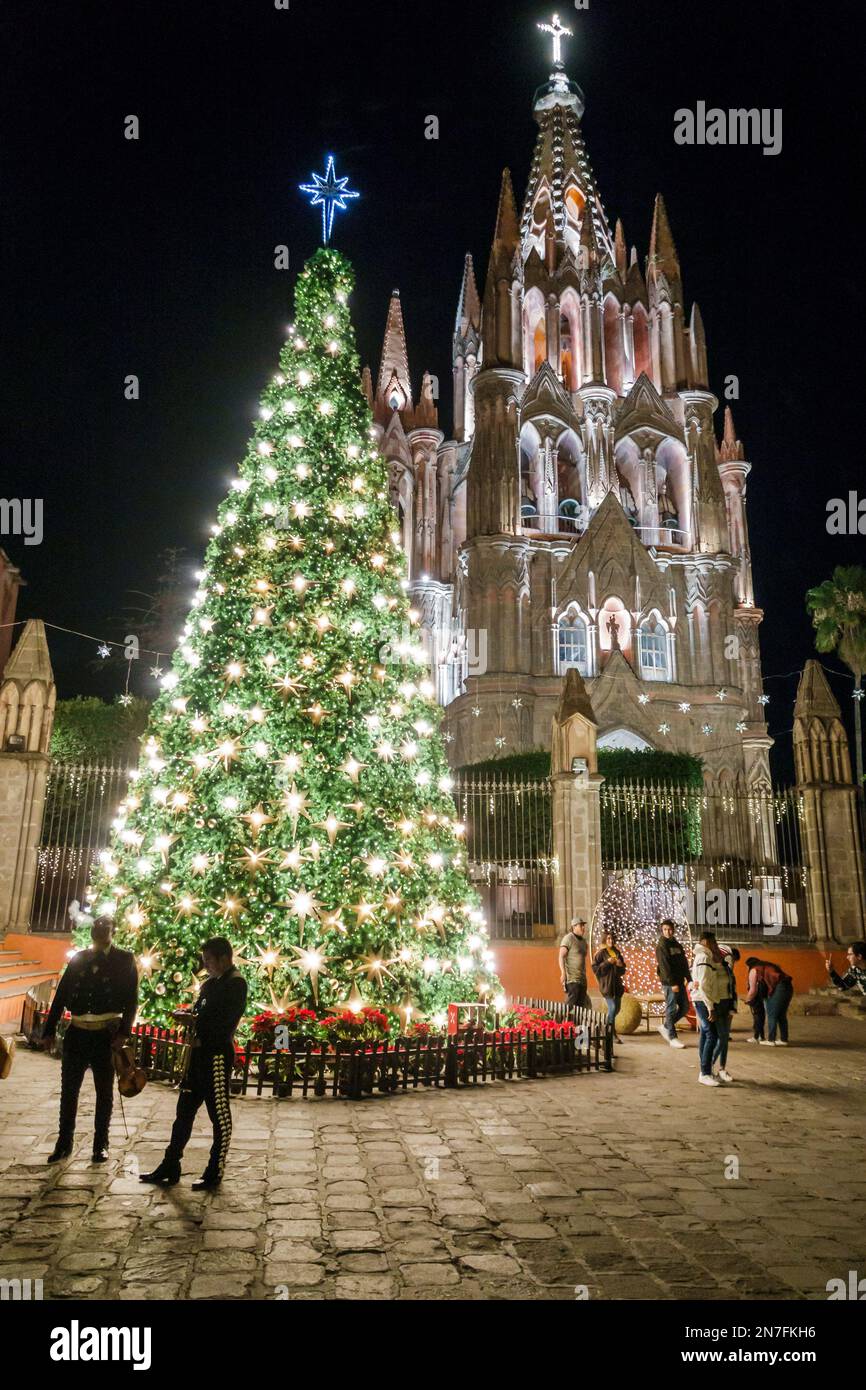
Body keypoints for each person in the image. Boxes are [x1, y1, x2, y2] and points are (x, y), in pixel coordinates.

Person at [141, 937, 247, 1191]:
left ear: (224, 958)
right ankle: (171, 1163)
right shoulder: (210, 984)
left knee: (218, 1114)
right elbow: (201, 1010)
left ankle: (214, 1169)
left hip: (217, 1057)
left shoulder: (235, 984)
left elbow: (224, 1022)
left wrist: (194, 1022)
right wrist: (188, 1015)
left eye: (209, 960)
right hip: (197, 1058)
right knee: (184, 1113)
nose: (206, 965)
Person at [41, 915, 139, 1164]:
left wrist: (123, 1033)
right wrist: (49, 1030)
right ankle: (64, 1143)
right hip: (77, 1031)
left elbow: (131, 1000)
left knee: (104, 1093)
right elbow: (62, 994)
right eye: (97, 930)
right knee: (69, 1092)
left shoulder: (124, 959)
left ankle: (100, 1144)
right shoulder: (80, 958)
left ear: (113, 932)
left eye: (105, 930)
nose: (100, 934)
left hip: (105, 1035)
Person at [690, 931, 733, 1087]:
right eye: (714, 942)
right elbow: (703, 985)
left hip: (704, 1000)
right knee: (711, 1035)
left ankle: (707, 1071)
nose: (716, 945)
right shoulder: (703, 958)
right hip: (703, 1001)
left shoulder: (706, 958)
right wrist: (711, 1008)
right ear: (707, 942)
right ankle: (705, 1072)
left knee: (710, 1035)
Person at [655, 918, 690, 1049]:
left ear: (673, 930)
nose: (667, 932)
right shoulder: (662, 946)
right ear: (662, 930)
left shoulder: (676, 944)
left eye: (669, 929)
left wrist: (689, 978)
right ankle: (672, 1037)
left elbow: (683, 962)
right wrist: (672, 983)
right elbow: (664, 967)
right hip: (670, 983)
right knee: (671, 1008)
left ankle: (665, 1026)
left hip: (680, 981)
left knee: (685, 1007)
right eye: (664, 929)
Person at [745, 956, 793, 1046]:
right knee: (781, 1014)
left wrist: (747, 1000)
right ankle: (783, 1039)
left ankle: (771, 1040)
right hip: (788, 987)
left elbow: (752, 990)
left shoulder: (754, 970)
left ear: (749, 966)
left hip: (780, 987)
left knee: (772, 1013)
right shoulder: (767, 965)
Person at [592, 930, 627, 1043]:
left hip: (617, 986)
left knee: (616, 1009)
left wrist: (620, 965)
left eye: (612, 938)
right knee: (612, 1008)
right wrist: (607, 962)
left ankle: (602, 1025)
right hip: (607, 986)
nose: (611, 940)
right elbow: (596, 970)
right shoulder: (600, 953)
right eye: (608, 939)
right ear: (604, 940)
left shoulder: (617, 952)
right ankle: (612, 1033)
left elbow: (622, 971)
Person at [712, 945, 740, 1082]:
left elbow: (732, 990)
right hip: (716, 1007)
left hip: (726, 1007)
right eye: (730, 961)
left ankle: (721, 1068)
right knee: (720, 1038)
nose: (731, 964)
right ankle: (707, 1066)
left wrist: (732, 1009)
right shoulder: (714, 971)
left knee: (724, 1039)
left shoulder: (728, 973)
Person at [559, 917, 590, 1010]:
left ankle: (576, 1024)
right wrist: (563, 973)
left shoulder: (584, 942)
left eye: (583, 925)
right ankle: (565, 1023)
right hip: (572, 979)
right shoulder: (568, 938)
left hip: (582, 979)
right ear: (574, 927)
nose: (583, 928)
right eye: (581, 926)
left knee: (580, 1007)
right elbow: (561, 956)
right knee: (570, 1005)